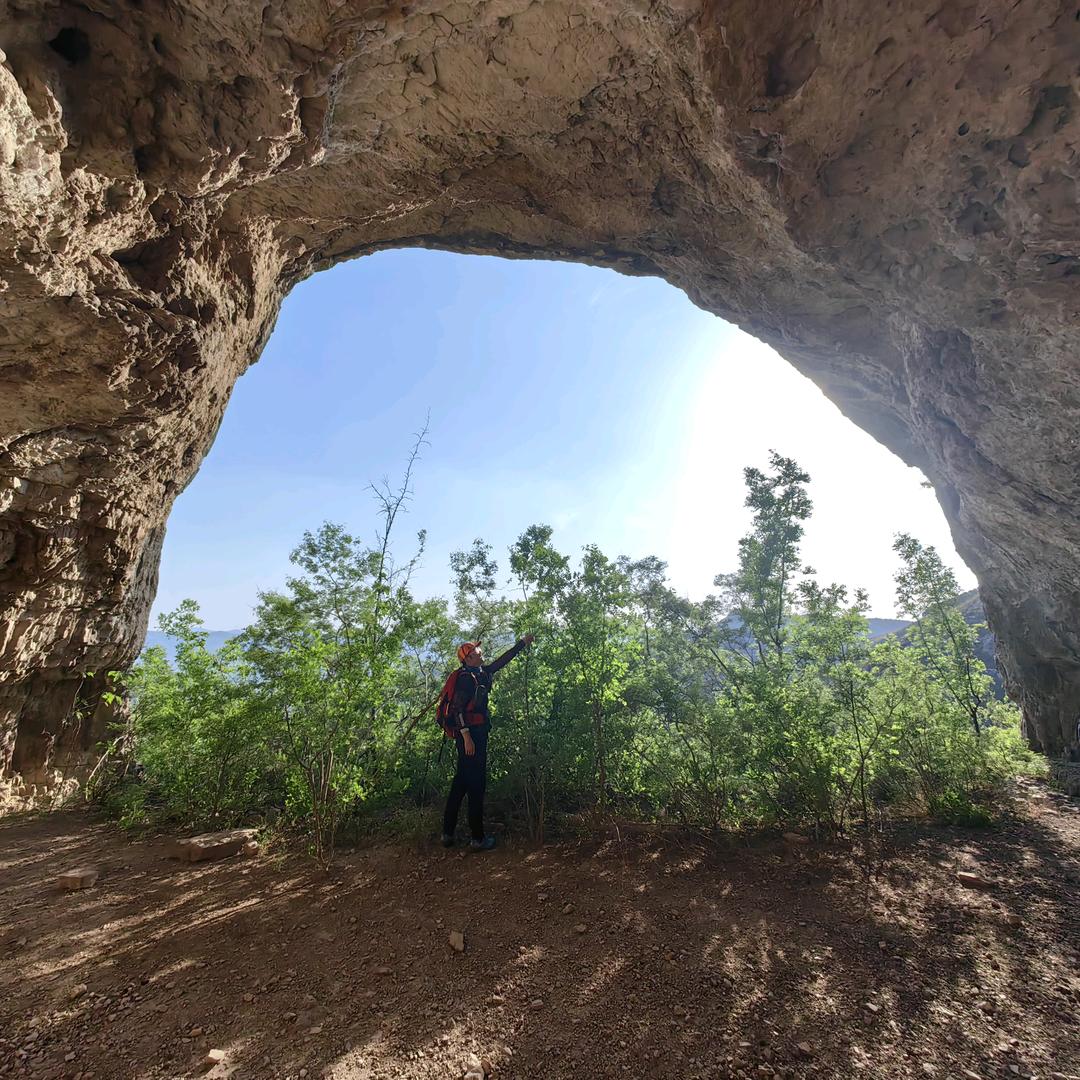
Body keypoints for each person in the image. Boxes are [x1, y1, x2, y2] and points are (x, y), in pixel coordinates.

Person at [442, 634, 534, 851]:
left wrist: (522, 643)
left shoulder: (481, 673)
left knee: (461, 783)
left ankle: (447, 833)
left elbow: (502, 661)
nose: (480, 653)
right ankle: (477, 838)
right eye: (475, 653)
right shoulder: (465, 679)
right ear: (467, 659)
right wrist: (466, 737)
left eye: (478, 651)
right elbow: (456, 711)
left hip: (476, 734)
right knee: (476, 785)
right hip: (471, 737)